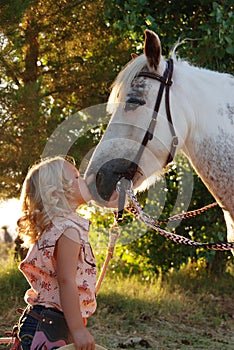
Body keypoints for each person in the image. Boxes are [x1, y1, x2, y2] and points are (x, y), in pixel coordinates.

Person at [17, 156, 99, 350]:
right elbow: (66, 281)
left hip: (44, 321)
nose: (84, 180)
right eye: (77, 177)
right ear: (59, 192)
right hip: (49, 325)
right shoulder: (69, 230)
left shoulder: (54, 228)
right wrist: (78, 329)